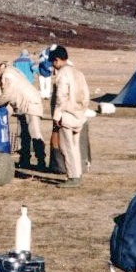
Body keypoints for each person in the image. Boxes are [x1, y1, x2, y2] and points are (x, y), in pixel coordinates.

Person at [0, 56, 46, 170]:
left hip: (30, 104)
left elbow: (8, 95)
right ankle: (25, 159)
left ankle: (41, 161)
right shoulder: (8, 71)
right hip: (22, 106)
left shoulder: (7, 75)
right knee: (24, 135)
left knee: (35, 133)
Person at [49, 45, 90, 186]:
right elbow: (86, 96)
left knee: (67, 147)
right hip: (79, 115)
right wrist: (81, 110)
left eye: (53, 62)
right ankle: (77, 174)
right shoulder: (78, 73)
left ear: (57, 60)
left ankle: (73, 177)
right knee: (75, 147)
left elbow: (61, 96)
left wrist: (56, 116)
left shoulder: (62, 74)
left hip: (66, 115)